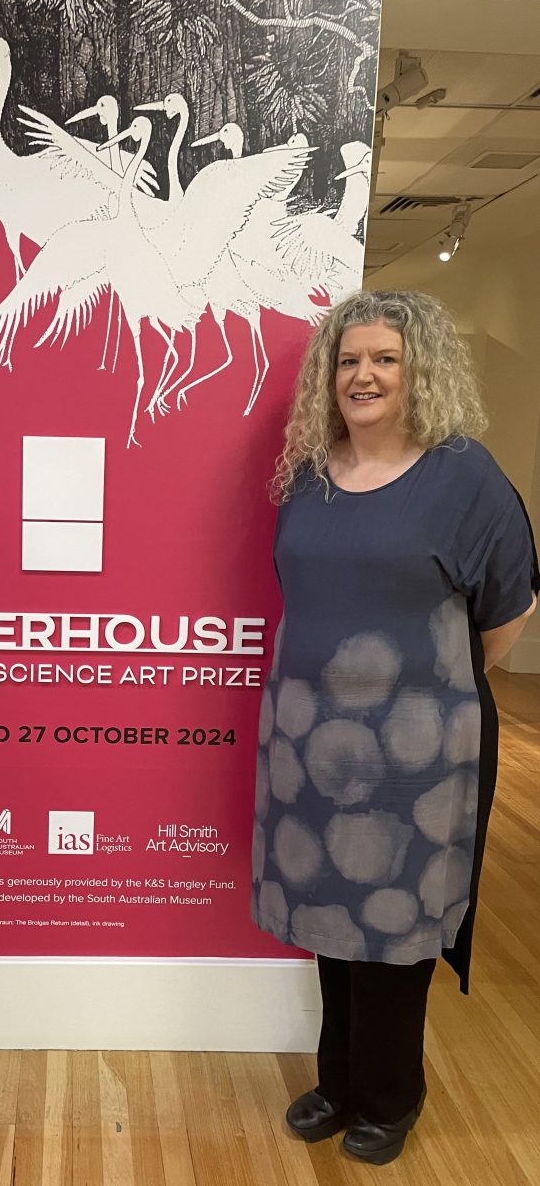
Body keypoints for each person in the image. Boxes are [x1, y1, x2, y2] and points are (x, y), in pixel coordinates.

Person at [252, 289, 538, 1165]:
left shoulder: (465, 478)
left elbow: (504, 616)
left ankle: (389, 1094)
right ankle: (336, 1080)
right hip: (308, 738)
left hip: (420, 749)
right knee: (329, 918)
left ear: (419, 372)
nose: (363, 376)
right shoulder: (308, 471)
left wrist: (411, 692)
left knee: (394, 923)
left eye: (384, 359)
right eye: (348, 361)